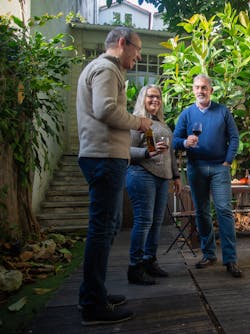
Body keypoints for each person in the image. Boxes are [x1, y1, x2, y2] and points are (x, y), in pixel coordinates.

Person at [76, 27, 152, 325]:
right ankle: (93, 305)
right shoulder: (107, 69)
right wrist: (140, 122)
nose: (139, 56)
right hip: (104, 158)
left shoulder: (99, 69)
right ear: (122, 43)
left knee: (107, 227)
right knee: (102, 229)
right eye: (137, 49)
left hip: (104, 157)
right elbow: (106, 110)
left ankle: (94, 293)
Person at [173, 74, 242, 278]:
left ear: (211, 90)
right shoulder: (187, 114)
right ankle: (209, 254)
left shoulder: (222, 111)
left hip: (220, 168)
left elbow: (235, 137)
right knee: (202, 212)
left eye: (204, 87)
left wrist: (227, 161)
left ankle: (230, 259)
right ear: (193, 90)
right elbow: (175, 139)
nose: (200, 90)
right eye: (197, 87)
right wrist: (185, 143)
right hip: (196, 168)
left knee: (223, 210)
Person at [126, 85, 182, 285]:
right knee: (144, 222)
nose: (155, 100)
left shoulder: (161, 123)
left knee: (156, 222)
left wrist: (176, 176)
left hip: (162, 177)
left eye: (158, 97)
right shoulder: (136, 122)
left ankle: (150, 261)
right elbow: (125, 151)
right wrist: (146, 153)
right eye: (150, 96)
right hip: (142, 174)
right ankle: (135, 267)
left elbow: (171, 153)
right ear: (143, 98)